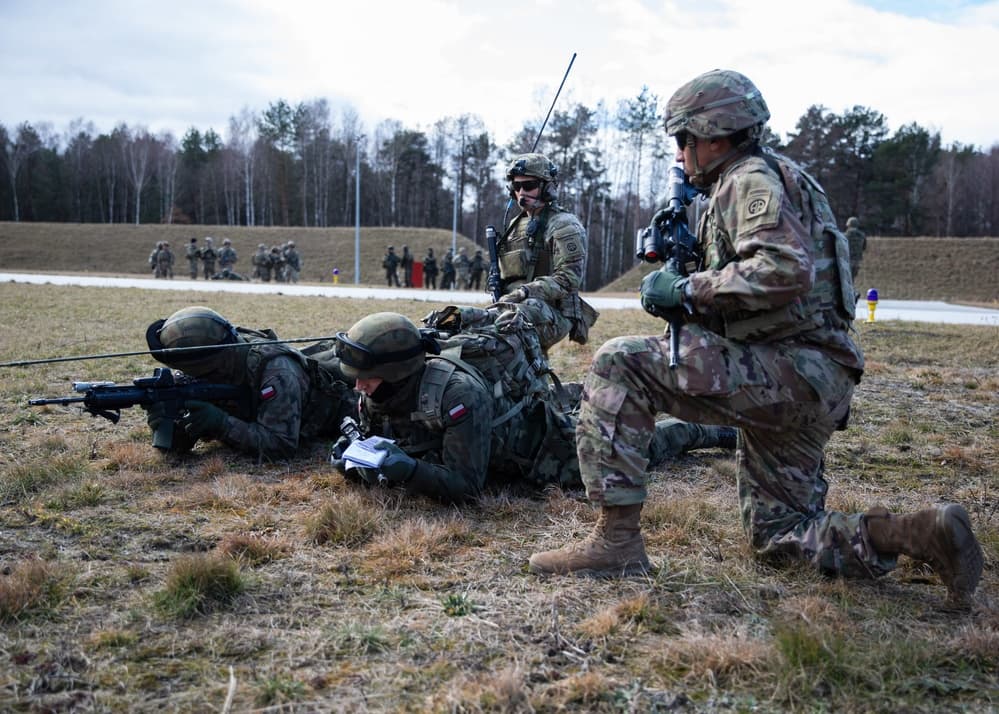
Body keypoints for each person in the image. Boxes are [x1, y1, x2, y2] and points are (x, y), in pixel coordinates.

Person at [527, 69, 983, 606]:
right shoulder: (781, 178)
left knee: (618, 363)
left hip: (787, 371)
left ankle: (616, 542)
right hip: (812, 378)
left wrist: (686, 289)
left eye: (684, 139)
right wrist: (692, 280)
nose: (680, 153)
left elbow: (783, 270)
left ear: (714, 136)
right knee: (779, 534)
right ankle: (918, 533)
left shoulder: (748, 180)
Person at [329, 311, 736, 504]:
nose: (359, 386)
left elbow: (466, 487)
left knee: (630, 449)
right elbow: (385, 444)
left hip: (544, 449)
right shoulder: (378, 390)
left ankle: (710, 429)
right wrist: (352, 459)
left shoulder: (457, 396)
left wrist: (408, 471)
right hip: (497, 434)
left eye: (367, 377)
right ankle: (591, 394)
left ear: (397, 371)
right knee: (581, 399)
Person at [142, 306, 356, 462]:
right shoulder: (211, 367)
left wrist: (221, 424)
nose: (187, 376)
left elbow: (281, 445)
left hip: (345, 408)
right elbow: (180, 447)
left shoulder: (276, 371)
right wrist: (168, 423)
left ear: (214, 366)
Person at [494, 153, 597, 350]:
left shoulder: (564, 225)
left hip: (552, 310)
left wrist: (523, 292)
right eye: (516, 186)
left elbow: (568, 279)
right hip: (517, 305)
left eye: (529, 185)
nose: (521, 192)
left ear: (547, 187)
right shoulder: (516, 225)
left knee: (507, 328)